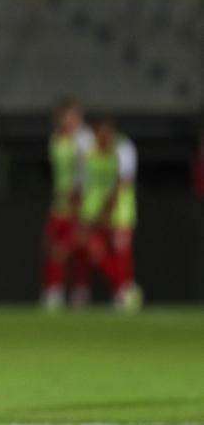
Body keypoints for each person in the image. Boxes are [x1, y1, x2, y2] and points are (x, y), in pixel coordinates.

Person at [76, 117, 143, 311]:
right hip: (93, 212)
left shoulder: (123, 149)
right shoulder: (88, 151)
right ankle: (123, 288)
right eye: (99, 134)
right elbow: (83, 183)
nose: (102, 138)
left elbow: (123, 182)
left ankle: (123, 291)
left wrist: (107, 209)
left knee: (121, 254)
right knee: (93, 252)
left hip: (119, 213)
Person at [41, 98, 95, 310]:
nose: (66, 121)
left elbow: (86, 172)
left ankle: (80, 290)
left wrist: (80, 200)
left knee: (78, 248)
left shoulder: (84, 140)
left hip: (80, 203)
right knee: (53, 247)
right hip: (60, 203)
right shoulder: (55, 139)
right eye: (63, 117)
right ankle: (54, 290)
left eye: (70, 117)